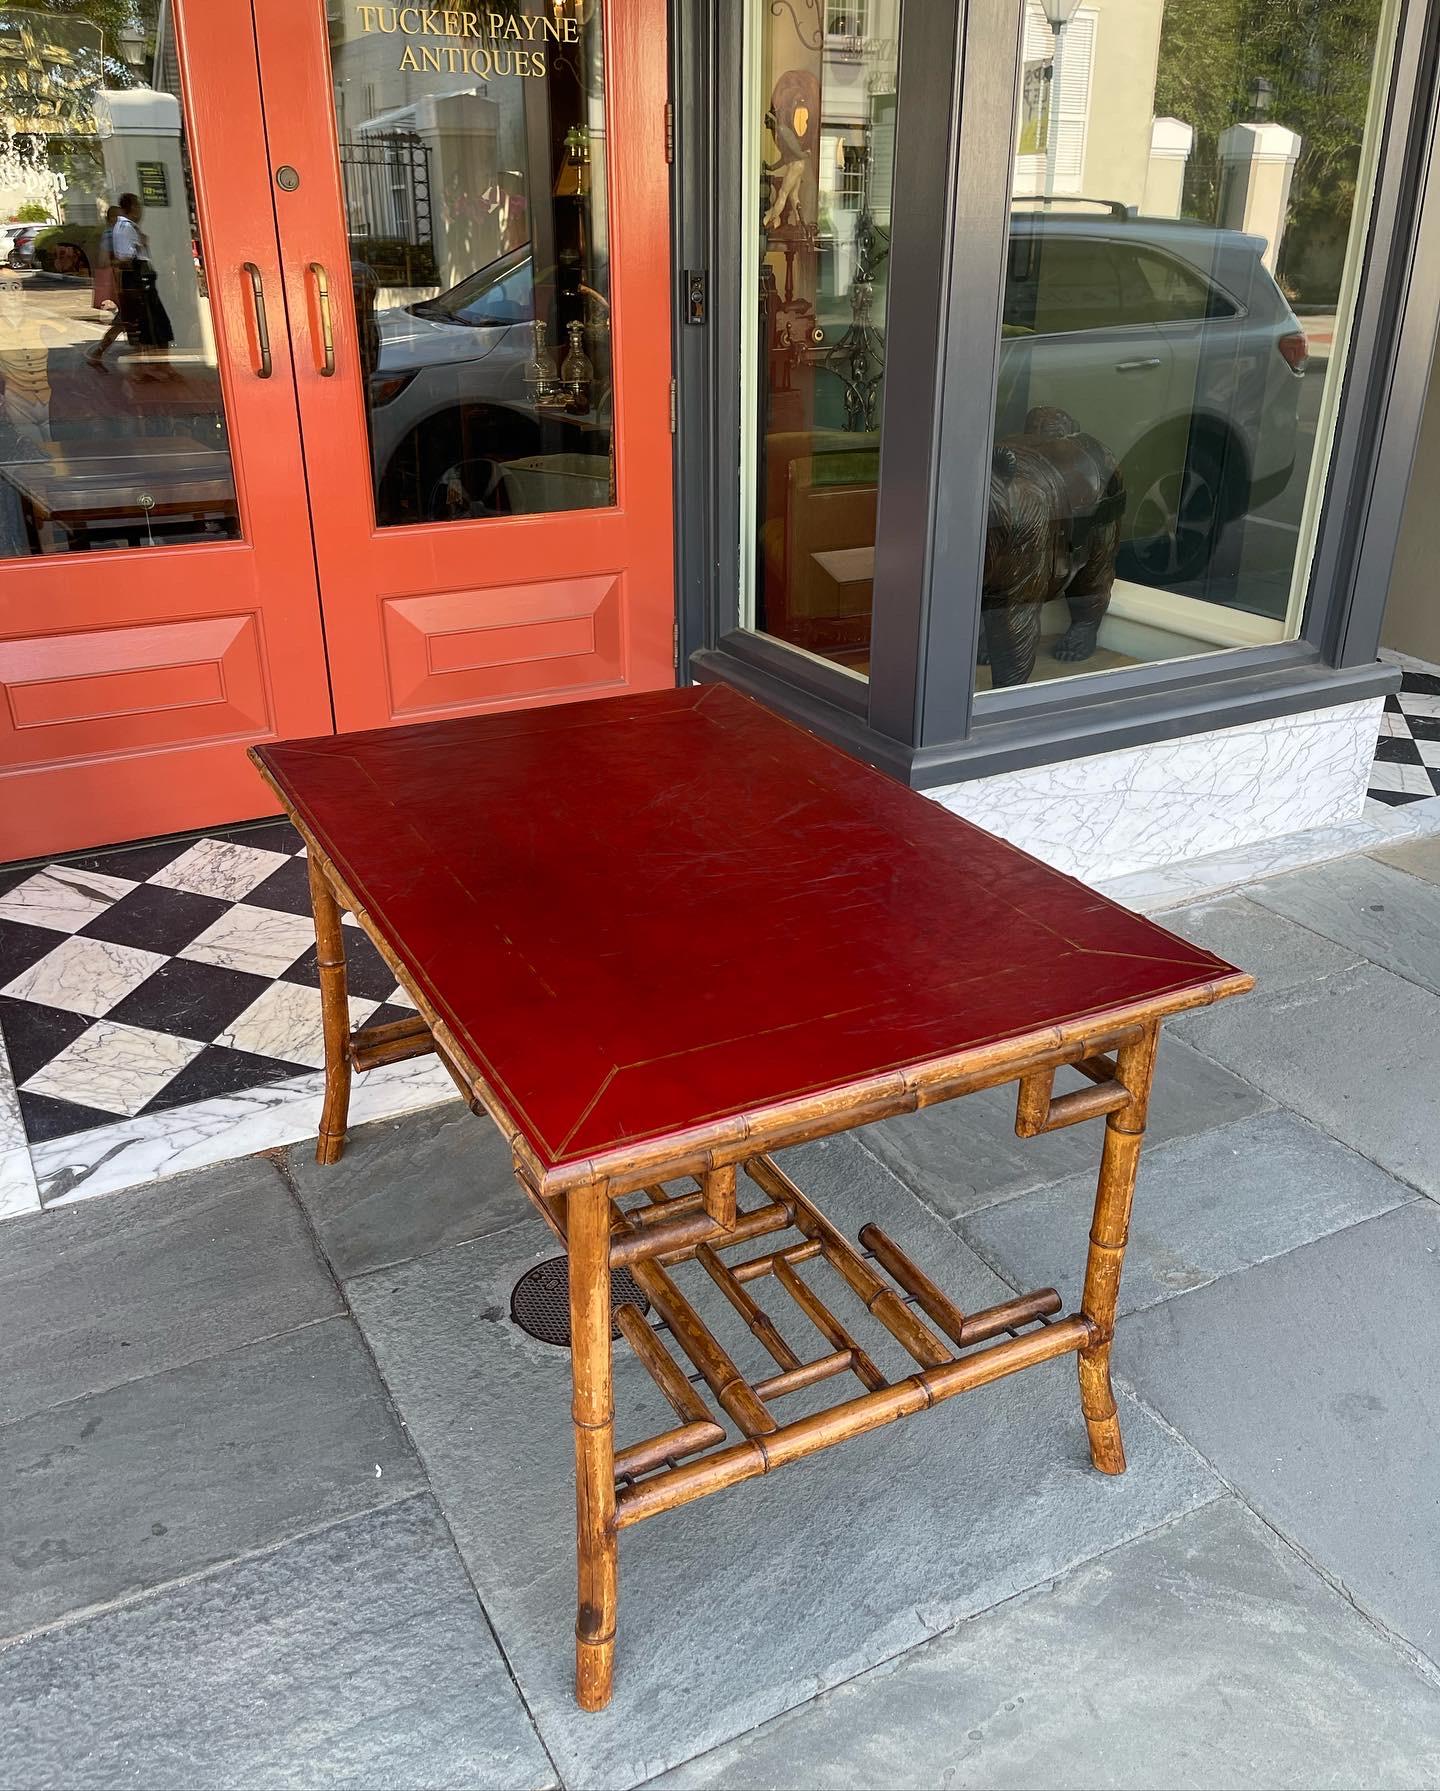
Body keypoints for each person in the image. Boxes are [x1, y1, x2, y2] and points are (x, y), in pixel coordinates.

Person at [86, 193, 173, 374]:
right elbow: (119, 258)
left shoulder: (121, 229)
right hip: (132, 282)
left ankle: (146, 366)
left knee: (128, 323)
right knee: (137, 323)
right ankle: (145, 367)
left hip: (130, 282)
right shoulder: (120, 230)